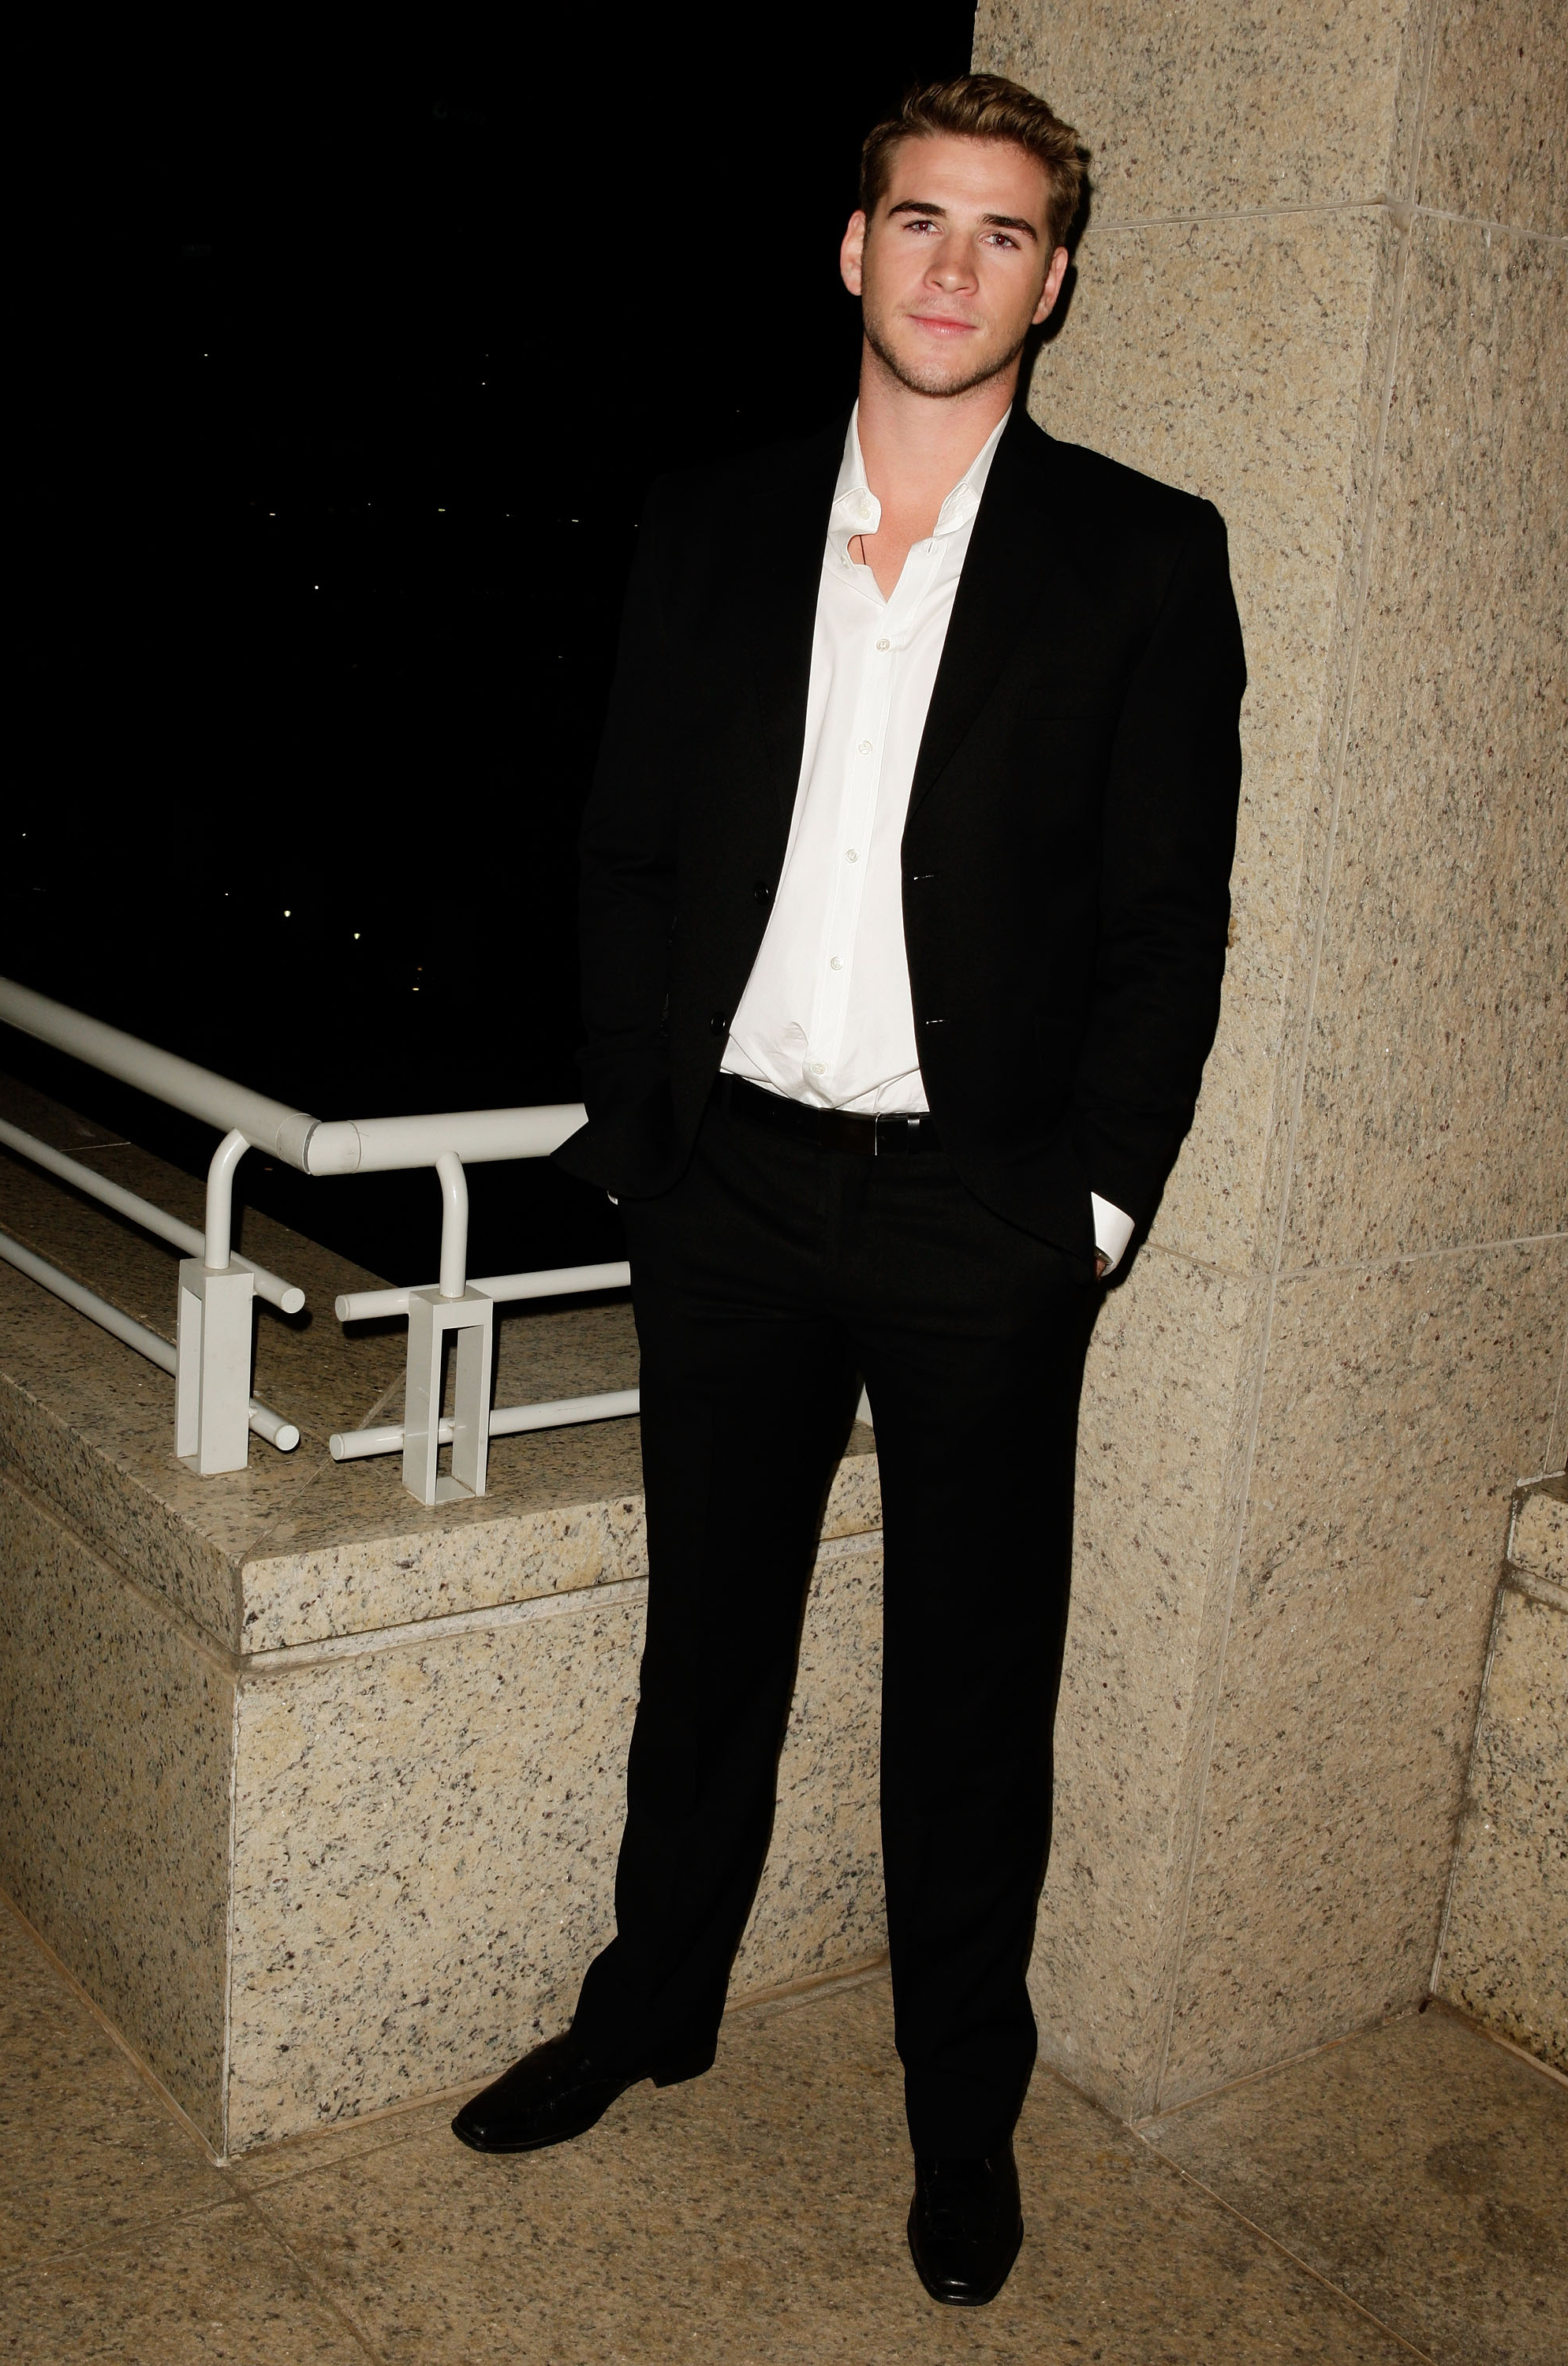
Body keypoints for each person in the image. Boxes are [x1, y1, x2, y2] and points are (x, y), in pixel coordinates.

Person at [453, 73, 1245, 2308]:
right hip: (731, 1199)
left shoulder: (1142, 556)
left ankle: (957, 2121)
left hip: (979, 1222)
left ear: (1053, 280)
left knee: (969, 1698)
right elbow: (620, 851)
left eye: (1002, 236)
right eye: (920, 220)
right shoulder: (708, 523)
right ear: (853, 246)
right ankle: (653, 2010)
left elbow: (1165, 929)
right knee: (705, 1648)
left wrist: (1088, 1211)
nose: (951, 266)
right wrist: (649, 1123)